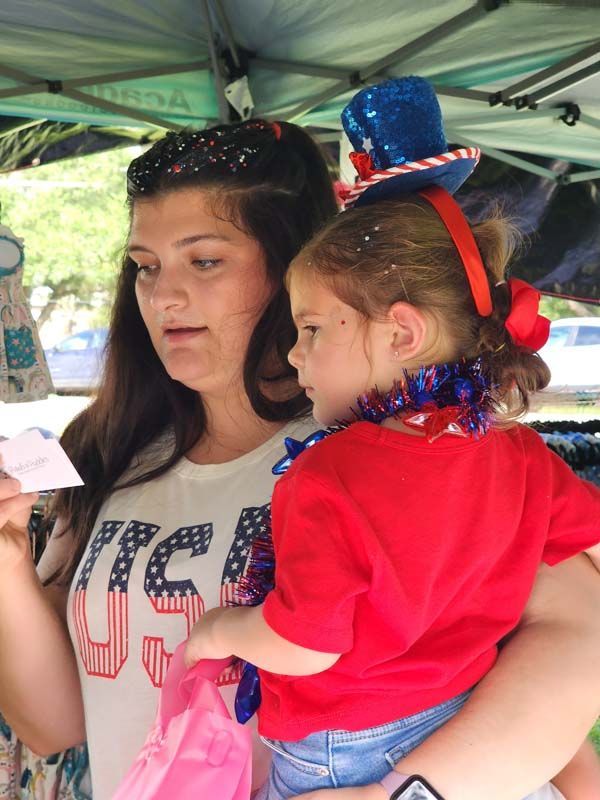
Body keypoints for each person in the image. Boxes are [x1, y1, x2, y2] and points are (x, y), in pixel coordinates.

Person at [0, 116, 598, 800]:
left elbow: (573, 652)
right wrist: (8, 555)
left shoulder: (396, 449)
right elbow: (55, 724)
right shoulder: (106, 449)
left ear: (292, 264)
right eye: (145, 266)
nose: (162, 296)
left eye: (205, 261)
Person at [184, 80, 600, 800]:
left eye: (311, 330)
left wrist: (220, 630)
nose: (293, 356)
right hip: (467, 732)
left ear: (402, 332)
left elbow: (306, 643)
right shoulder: (520, 456)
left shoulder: (327, 475)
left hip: (344, 755)